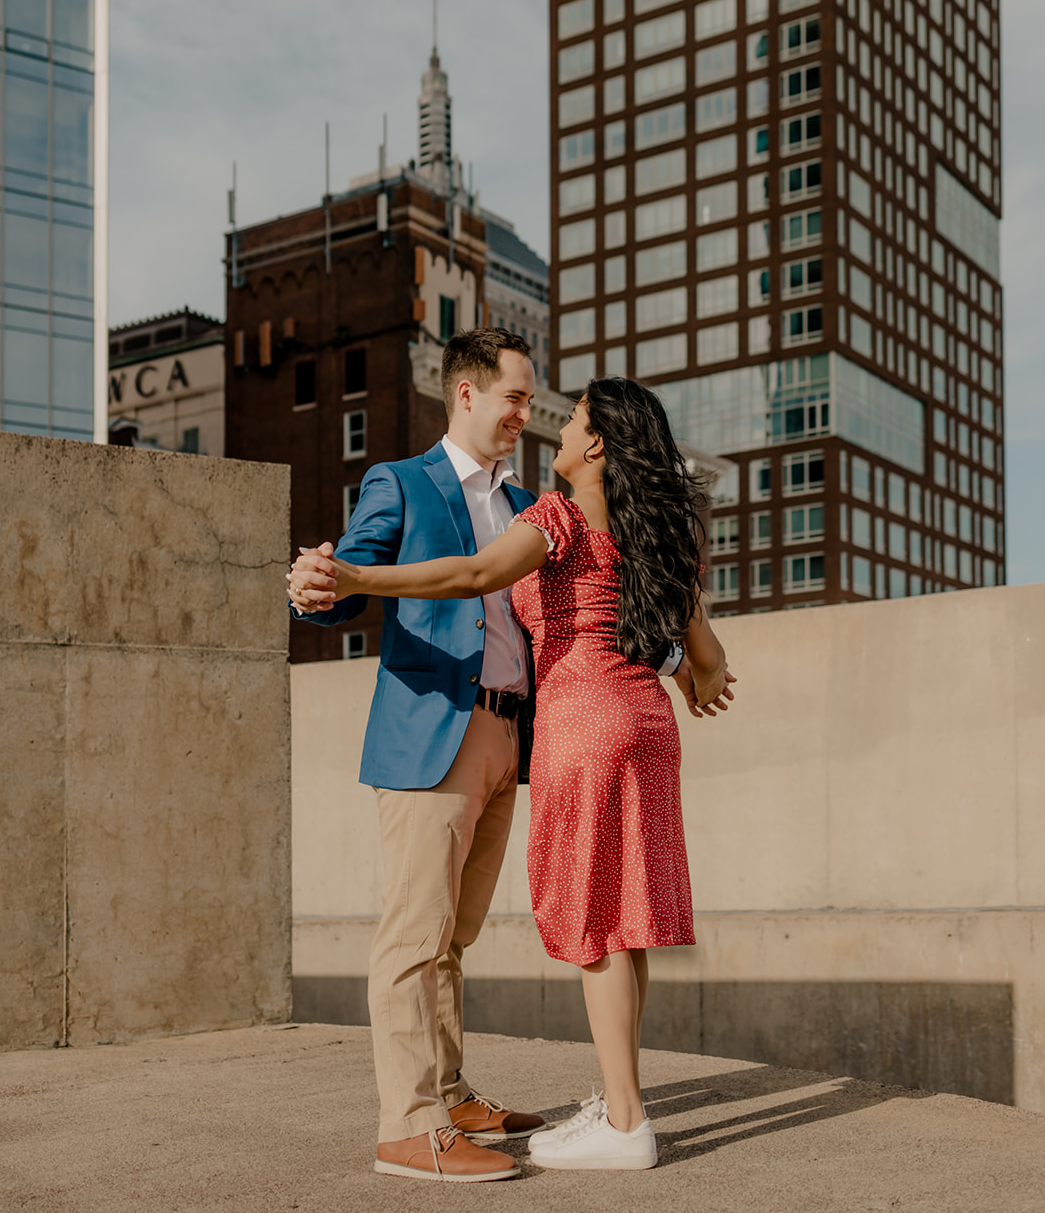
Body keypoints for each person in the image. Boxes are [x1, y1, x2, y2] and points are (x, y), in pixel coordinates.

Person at [291, 376, 734, 1174]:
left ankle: (626, 1122)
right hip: (646, 726)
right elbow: (706, 664)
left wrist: (356, 579)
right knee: (626, 920)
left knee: (593, 920)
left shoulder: (555, 516)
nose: (555, 430)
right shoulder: (658, 536)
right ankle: (620, 1099)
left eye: (571, 421)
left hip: (583, 723)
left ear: (596, 446)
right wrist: (681, 669)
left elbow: (469, 576)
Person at [288, 329, 547, 1183]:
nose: (526, 412)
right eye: (514, 396)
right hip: (432, 731)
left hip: (508, 732)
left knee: (456, 935)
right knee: (414, 931)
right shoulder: (399, 481)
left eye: (530, 399)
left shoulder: (520, 506)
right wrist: (315, 583)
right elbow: (344, 587)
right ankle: (407, 1126)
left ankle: (450, 1090)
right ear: (465, 394)